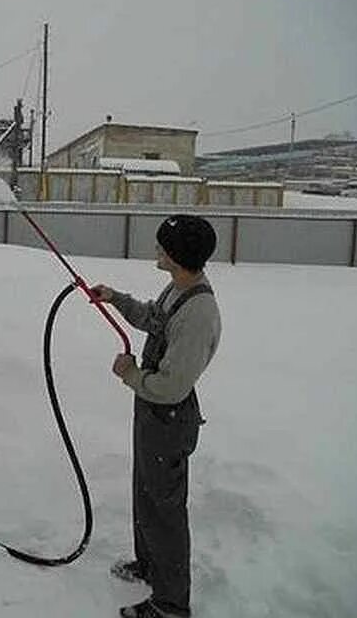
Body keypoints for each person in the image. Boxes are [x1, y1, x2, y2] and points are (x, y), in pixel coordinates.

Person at [92, 214, 221, 618]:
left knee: (164, 511)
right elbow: (153, 318)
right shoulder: (179, 289)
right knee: (146, 495)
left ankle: (170, 604)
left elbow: (171, 386)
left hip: (168, 416)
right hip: (153, 413)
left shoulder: (198, 313)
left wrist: (129, 373)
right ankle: (150, 565)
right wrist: (115, 298)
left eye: (162, 245)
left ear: (176, 256)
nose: (157, 250)